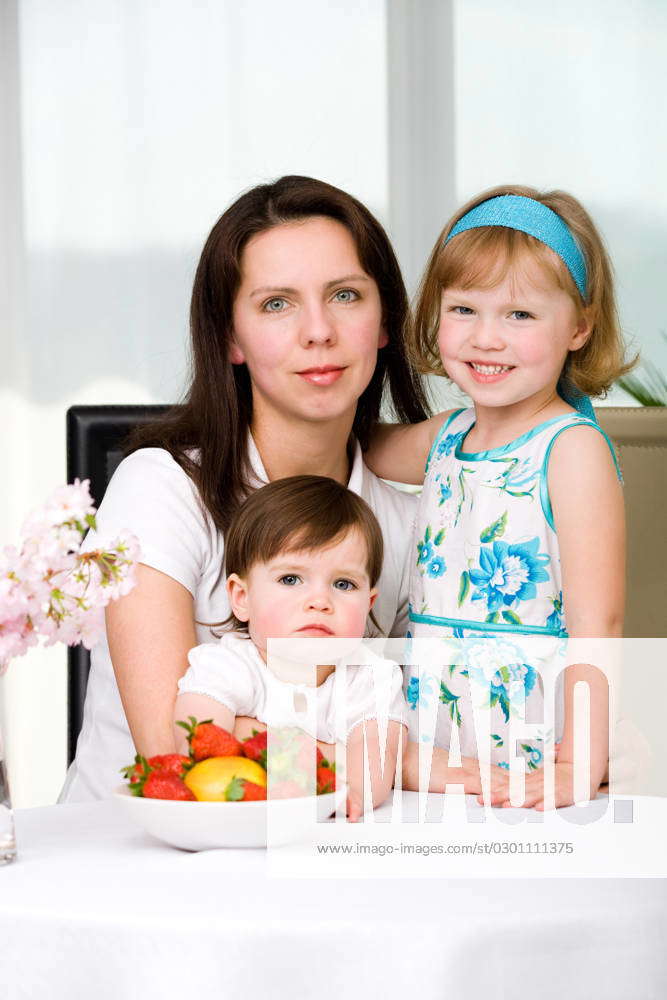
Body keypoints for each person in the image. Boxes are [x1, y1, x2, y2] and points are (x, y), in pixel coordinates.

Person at [60, 175, 429, 802]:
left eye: (345, 295)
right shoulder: (162, 487)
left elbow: (418, 723)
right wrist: (379, 762)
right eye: (276, 304)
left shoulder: (408, 519)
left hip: (319, 853)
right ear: (230, 336)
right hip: (133, 857)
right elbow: (180, 754)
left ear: (385, 320)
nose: (318, 331)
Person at [365, 184, 633, 809]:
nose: (487, 338)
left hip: (530, 752)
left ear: (579, 328)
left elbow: (600, 623)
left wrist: (581, 765)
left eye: (520, 315)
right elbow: (358, 445)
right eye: (463, 309)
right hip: (428, 746)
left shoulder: (570, 450)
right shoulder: (445, 437)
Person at [174, 475, 408, 821]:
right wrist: (333, 761)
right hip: (238, 828)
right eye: (290, 579)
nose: (319, 601)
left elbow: (372, 771)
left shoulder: (371, 677)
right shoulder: (228, 664)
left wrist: (348, 790)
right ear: (242, 597)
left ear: (369, 603)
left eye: (343, 584)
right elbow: (198, 744)